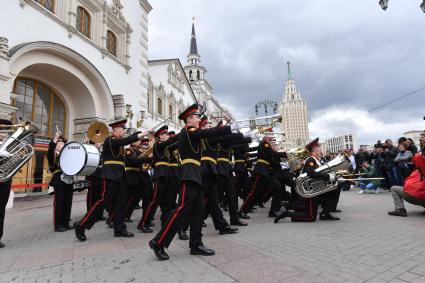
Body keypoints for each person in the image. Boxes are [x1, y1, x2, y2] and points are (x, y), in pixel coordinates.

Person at [149, 103, 239, 261]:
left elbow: (211, 135)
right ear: (189, 119)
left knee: (198, 212)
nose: (199, 119)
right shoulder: (189, 131)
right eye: (197, 117)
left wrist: (231, 132)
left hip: (195, 174)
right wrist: (228, 128)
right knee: (181, 210)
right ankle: (158, 242)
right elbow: (207, 133)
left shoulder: (193, 133)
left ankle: (196, 244)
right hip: (189, 173)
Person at [74, 119, 150, 241]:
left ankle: (119, 228)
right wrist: (141, 134)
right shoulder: (110, 140)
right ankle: (81, 225)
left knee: (121, 203)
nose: (124, 131)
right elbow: (126, 141)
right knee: (103, 202)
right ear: (116, 130)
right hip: (110, 176)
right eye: (123, 129)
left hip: (119, 177)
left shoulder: (118, 143)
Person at [388, 146, 425, 217]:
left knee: (394, 188)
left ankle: (400, 209)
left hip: (416, 195)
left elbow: (418, 158)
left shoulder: (420, 165)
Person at [47, 131, 73, 232]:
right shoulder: (52, 155)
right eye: (60, 143)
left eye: (63, 143)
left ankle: (66, 223)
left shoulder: (68, 155)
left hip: (69, 180)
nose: (62, 144)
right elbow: (50, 150)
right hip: (59, 180)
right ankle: (58, 225)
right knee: (60, 203)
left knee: (68, 203)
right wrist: (55, 138)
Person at [0, 119, 14, 248]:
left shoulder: (10, 144)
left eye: (6, 130)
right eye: (3, 129)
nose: (4, 132)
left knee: (1, 210)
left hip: (5, 180)